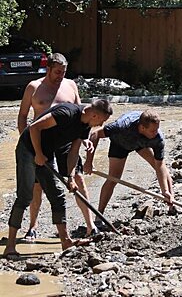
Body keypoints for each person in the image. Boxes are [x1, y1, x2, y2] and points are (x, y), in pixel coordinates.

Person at [2, 99, 113, 259]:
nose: (101, 124)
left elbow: (73, 152)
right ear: (94, 115)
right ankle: (10, 246)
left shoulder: (85, 125)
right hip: (28, 149)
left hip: (47, 153)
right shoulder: (66, 113)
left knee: (58, 196)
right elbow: (34, 127)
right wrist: (38, 154)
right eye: (102, 121)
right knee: (25, 196)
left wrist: (71, 177)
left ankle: (65, 241)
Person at [17, 53, 98, 239]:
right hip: (41, 141)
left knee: (77, 178)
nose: (60, 76)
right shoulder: (34, 87)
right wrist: (25, 141)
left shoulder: (70, 85)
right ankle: (33, 226)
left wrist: (84, 138)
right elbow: (22, 116)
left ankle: (90, 225)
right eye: (57, 72)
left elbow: (81, 114)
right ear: (48, 69)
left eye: (63, 72)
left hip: (66, 141)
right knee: (37, 186)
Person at [83, 109, 175, 218]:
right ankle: (99, 216)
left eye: (157, 129)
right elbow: (95, 134)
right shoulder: (121, 126)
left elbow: (159, 165)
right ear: (142, 127)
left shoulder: (157, 138)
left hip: (140, 143)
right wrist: (88, 162)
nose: (156, 133)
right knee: (113, 178)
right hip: (120, 143)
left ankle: (171, 202)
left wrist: (164, 191)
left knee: (160, 167)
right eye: (153, 131)